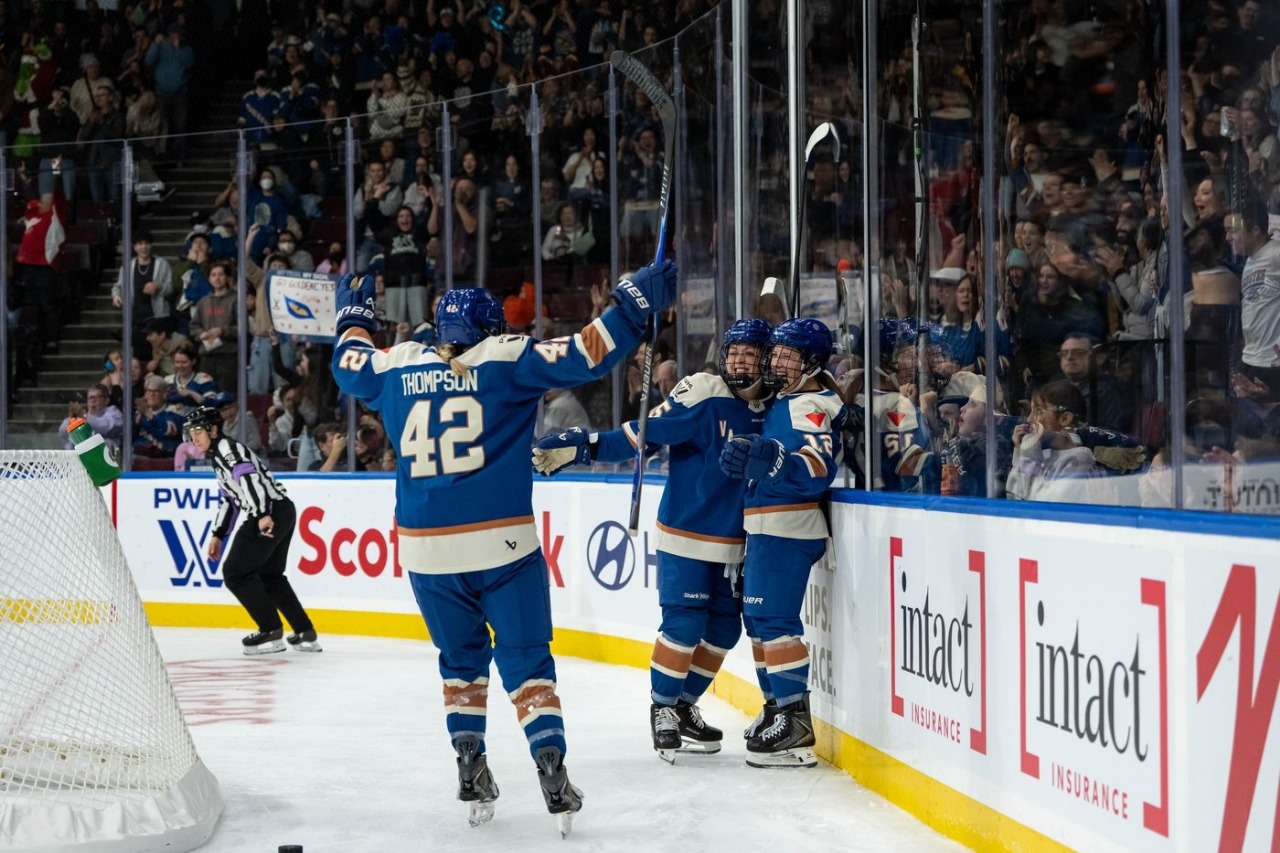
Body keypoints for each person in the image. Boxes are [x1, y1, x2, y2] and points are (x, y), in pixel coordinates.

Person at [331, 260, 676, 830]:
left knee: (461, 662)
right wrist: (632, 307)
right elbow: (588, 352)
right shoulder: (507, 358)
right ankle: (549, 761)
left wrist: (353, 319)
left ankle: (470, 761)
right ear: (490, 329)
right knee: (526, 661)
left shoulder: (399, 363)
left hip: (425, 548)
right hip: (503, 543)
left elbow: (349, 366)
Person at [532, 318, 772, 763]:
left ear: (766, 361)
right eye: (733, 351)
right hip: (685, 535)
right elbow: (644, 433)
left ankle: (682, 706)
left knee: (722, 629)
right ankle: (661, 708)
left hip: (737, 543)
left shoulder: (775, 407)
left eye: (749, 353)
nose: (739, 360)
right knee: (683, 625)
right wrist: (586, 446)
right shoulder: (703, 392)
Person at [718, 318, 844, 768]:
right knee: (758, 620)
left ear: (811, 362)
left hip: (789, 527)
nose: (775, 363)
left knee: (773, 620)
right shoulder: (787, 400)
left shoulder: (807, 404)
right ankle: (777, 708)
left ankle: (794, 720)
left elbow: (816, 467)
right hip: (769, 526)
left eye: (786, 356)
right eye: (774, 354)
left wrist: (773, 461)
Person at [182, 406, 321, 655]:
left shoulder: (227, 450)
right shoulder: (219, 455)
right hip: (280, 509)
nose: (194, 438)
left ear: (213, 430)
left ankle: (270, 630)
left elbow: (249, 479)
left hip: (270, 511)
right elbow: (231, 500)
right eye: (190, 433)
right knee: (270, 575)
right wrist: (218, 534)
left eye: (198, 432)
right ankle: (304, 631)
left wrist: (261, 514)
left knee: (235, 572)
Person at [59, 383, 123, 451]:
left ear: (106, 400)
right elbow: (62, 433)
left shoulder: (113, 412)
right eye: (90, 398)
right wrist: (72, 418)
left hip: (105, 456)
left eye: (96, 397)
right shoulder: (82, 416)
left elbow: (106, 427)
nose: (92, 401)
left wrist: (84, 418)